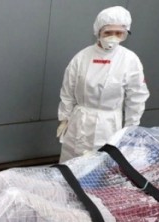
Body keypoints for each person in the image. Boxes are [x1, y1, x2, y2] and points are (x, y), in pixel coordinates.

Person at [57, 6, 150, 162]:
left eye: (119, 33)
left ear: (125, 33)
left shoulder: (129, 60)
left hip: (109, 125)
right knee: (72, 161)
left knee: (100, 164)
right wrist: (64, 117)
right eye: (108, 32)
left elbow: (137, 97)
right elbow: (68, 91)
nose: (113, 37)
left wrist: (131, 128)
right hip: (80, 122)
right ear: (98, 31)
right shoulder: (82, 57)